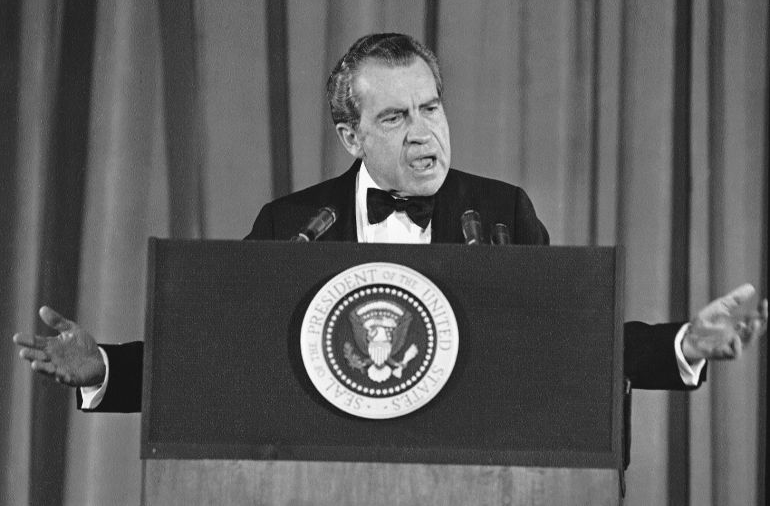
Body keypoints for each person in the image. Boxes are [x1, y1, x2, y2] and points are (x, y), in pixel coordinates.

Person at [12, 33, 768, 413]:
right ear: (352, 136)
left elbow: (570, 344)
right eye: (397, 116)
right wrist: (104, 369)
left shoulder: (500, 213)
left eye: (432, 108)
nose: (424, 134)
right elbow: (217, 349)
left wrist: (682, 344)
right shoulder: (292, 223)